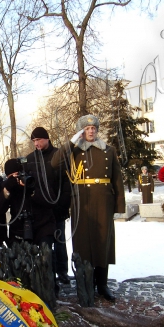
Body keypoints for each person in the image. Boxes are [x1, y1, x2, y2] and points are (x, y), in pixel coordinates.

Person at [51, 114, 126, 301]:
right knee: (83, 243)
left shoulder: (109, 150)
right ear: (81, 132)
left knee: (103, 242)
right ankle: (87, 283)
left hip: (103, 200)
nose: (91, 131)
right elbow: (54, 162)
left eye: (93, 128)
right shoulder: (74, 151)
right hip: (81, 200)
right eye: (86, 129)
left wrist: (119, 204)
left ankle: (102, 284)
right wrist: (71, 141)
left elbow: (116, 177)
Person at [25, 127, 72, 284]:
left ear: (47, 139)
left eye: (39, 140)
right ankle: (46, 272)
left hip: (57, 207)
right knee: (44, 244)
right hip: (39, 210)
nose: (36, 143)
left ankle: (62, 271)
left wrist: (63, 205)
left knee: (59, 241)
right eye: (34, 141)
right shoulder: (30, 158)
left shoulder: (59, 155)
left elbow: (67, 184)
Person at [0, 157, 56, 247]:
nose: (16, 179)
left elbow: (51, 200)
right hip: (18, 230)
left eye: (17, 175)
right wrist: (7, 190)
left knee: (45, 256)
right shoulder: (7, 185)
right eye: (12, 177)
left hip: (42, 226)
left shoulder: (36, 178)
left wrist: (31, 190)